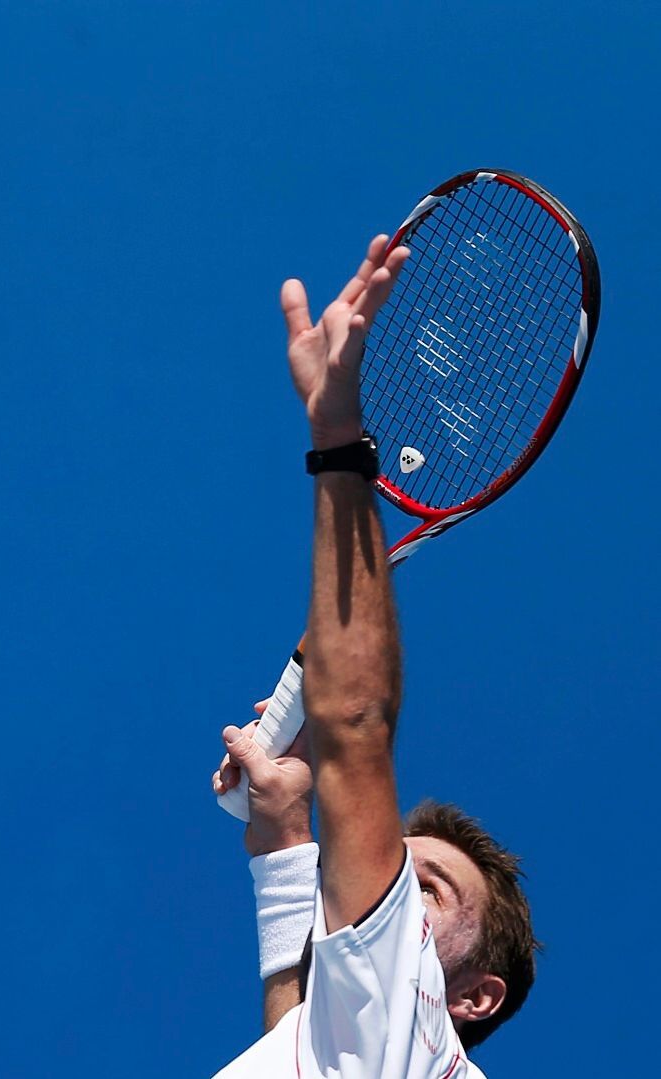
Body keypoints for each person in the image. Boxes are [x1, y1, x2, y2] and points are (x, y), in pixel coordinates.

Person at [208, 237, 539, 1077]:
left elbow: (354, 725)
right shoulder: (391, 1049)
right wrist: (286, 839)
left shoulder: (420, 1034)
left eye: (419, 888)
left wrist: (339, 441)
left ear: (476, 997)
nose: (379, 879)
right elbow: (302, 1043)